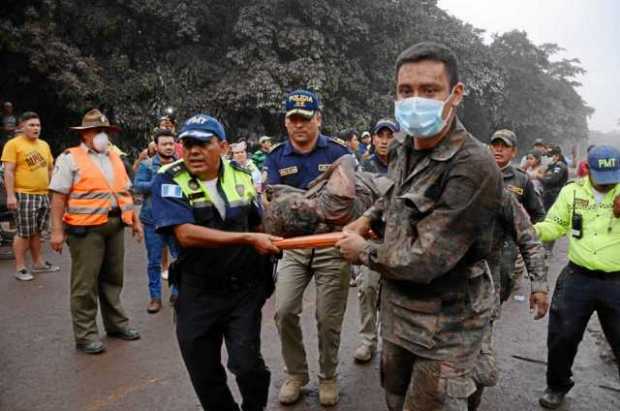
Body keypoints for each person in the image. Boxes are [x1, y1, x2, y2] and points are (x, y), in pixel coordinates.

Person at [335, 42, 502, 411]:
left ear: (455, 94)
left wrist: (360, 251)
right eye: (405, 91)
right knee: (395, 398)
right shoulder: (402, 146)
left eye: (429, 91)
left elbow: (426, 259)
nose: (415, 101)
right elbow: (393, 195)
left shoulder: (473, 166)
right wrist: (367, 219)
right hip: (398, 313)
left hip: (447, 324)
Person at [151, 114, 281, 411]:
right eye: (187, 144)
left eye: (202, 143)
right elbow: (185, 235)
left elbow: (259, 223)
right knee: (203, 371)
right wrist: (247, 239)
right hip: (198, 292)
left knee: (247, 364)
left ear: (222, 146)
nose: (193, 151)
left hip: (244, 289)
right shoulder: (169, 178)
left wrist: (274, 235)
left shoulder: (243, 174)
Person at [263, 89, 351, 406]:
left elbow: (347, 202)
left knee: (329, 319)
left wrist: (298, 202)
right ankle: (296, 374)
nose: (299, 125)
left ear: (318, 119)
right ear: (286, 123)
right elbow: (275, 202)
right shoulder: (276, 157)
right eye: (293, 119)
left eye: (305, 118)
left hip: (331, 245)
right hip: (294, 248)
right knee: (284, 310)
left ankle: (328, 376)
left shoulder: (339, 154)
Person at [48, 109, 143, 354]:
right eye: (98, 131)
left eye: (106, 132)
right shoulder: (69, 158)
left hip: (114, 226)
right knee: (85, 284)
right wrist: (56, 231)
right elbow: (58, 197)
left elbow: (125, 193)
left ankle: (116, 325)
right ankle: (86, 334)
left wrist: (134, 220)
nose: (103, 136)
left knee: (113, 279)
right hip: (85, 230)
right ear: (86, 135)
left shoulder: (114, 157)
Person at [534, 145, 620, 409]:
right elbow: (555, 225)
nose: (607, 185)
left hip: (616, 281)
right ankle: (557, 386)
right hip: (578, 277)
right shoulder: (572, 192)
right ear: (588, 170)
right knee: (562, 336)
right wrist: (530, 231)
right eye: (601, 178)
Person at [353, 118, 398, 363]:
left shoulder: (406, 164)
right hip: (373, 237)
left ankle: (390, 342)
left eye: (389, 135)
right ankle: (368, 341)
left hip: (401, 242)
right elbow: (360, 201)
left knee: (395, 293)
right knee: (367, 289)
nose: (384, 140)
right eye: (380, 135)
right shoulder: (365, 165)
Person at [1, 111, 59, 281]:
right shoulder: (13, 145)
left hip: (43, 194)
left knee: (37, 232)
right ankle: (20, 268)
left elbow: (49, 168)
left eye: (38, 125)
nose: (36, 128)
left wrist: (52, 190)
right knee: (23, 232)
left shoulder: (44, 145)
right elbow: (8, 171)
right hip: (23, 195)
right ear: (21, 127)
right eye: (32, 125)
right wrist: (10, 196)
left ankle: (39, 263)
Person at [134, 129, 179, 313]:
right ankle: (155, 298)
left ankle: (177, 293)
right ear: (156, 146)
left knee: (179, 258)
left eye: (171, 144)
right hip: (152, 221)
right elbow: (137, 186)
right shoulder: (147, 165)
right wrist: (156, 183)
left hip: (176, 220)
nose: (168, 147)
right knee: (153, 261)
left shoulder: (181, 165)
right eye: (164, 144)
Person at [542, 145, 569, 211]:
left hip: (555, 195)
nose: (547, 158)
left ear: (557, 156)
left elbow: (553, 179)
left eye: (550, 156)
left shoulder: (559, 165)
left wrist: (540, 177)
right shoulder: (551, 166)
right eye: (547, 156)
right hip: (548, 195)